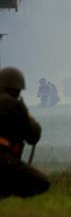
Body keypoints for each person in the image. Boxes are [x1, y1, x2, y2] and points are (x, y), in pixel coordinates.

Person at [0, 67, 50, 198]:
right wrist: (25, 112)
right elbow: (33, 135)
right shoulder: (13, 105)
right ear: (17, 89)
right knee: (42, 183)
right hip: (3, 159)